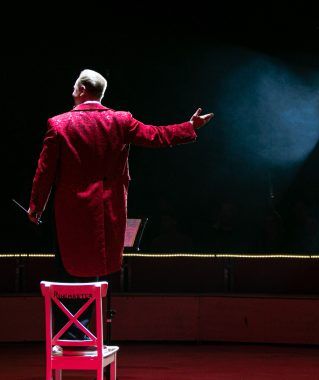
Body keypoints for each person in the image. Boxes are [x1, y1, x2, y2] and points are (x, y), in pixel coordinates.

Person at [28, 68, 213, 279]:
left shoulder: (58, 124)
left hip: (72, 211)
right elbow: (156, 136)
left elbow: (45, 171)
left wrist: (36, 206)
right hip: (109, 209)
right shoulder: (121, 120)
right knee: (100, 269)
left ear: (81, 89)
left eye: (73, 88)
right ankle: (96, 311)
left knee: (70, 268)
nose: (72, 93)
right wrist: (189, 126)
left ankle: (70, 311)